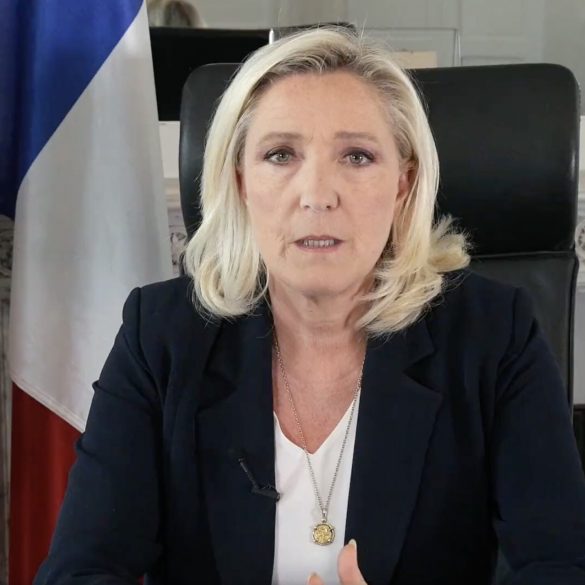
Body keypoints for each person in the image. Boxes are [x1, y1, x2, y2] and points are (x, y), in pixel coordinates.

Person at [35, 27, 585, 585]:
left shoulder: (494, 336)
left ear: (403, 184)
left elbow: (563, 566)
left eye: (357, 156)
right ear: (241, 183)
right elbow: (81, 571)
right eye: (281, 155)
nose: (318, 194)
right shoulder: (161, 337)